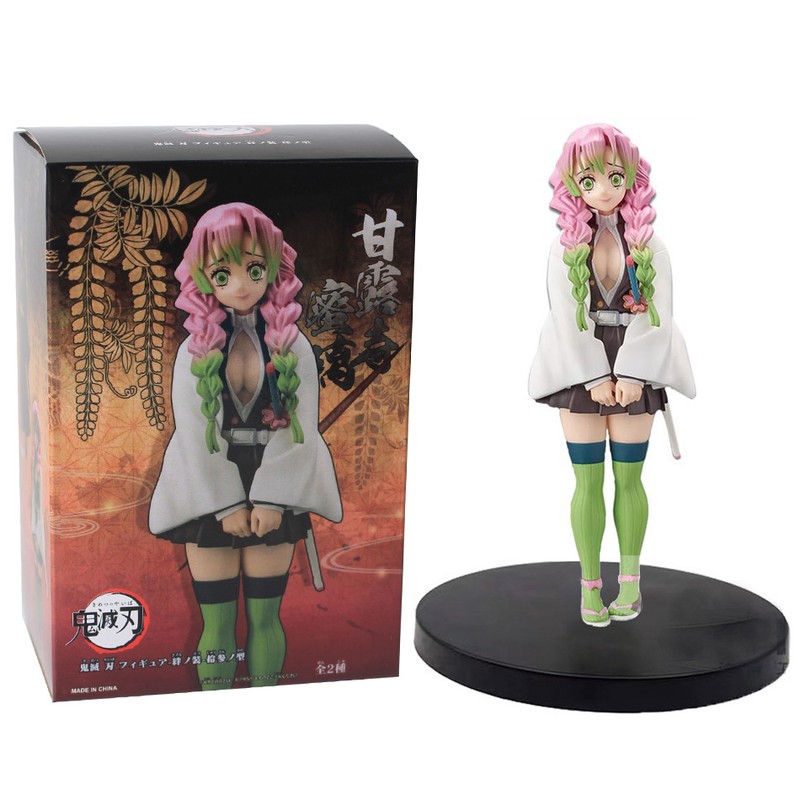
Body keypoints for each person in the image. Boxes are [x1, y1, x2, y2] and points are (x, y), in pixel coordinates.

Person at [149, 202, 342, 687]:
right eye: (222, 274)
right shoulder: (194, 350)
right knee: (216, 622)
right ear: (202, 277)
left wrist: (274, 497)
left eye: (255, 269)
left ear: (274, 268)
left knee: (264, 617)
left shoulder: (292, 345)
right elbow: (193, 431)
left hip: (275, 478)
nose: (240, 285)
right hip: (210, 483)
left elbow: (301, 426)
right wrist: (225, 501)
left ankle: (264, 708)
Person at [528, 125, 694, 627]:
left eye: (615, 177)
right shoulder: (564, 248)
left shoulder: (650, 245)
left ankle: (630, 583)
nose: (603, 189)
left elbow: (660, 312)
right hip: (579, 367)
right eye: (589, 180)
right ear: (571, 183)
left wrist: (635, 373)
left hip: (635, 361)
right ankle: (589, 587)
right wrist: (594, 375)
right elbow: (565, 316)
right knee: (587, 480)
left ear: (631, 178)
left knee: (629, 477)